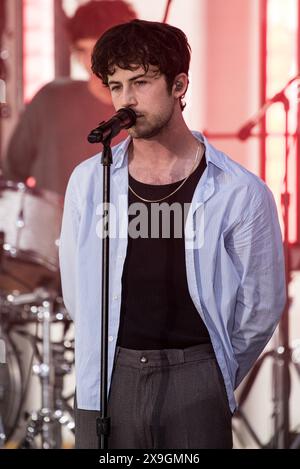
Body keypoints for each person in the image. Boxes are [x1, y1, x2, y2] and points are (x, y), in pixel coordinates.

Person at [59, 19, 286, 449]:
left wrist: (213, 373)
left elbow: (262, 306)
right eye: (117, 85)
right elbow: (77, 287)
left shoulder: (240, 192)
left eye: (141, 82)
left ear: (179, 84)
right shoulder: (90, 181)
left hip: (195, 375)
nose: (126, 100)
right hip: (109, 374)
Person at [3, 1, 136, 196]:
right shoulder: (50, 100)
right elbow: (11, 176)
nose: (91, 62)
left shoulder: (143, 115)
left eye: (99, 50)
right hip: (49, 225)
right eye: (82, 51)